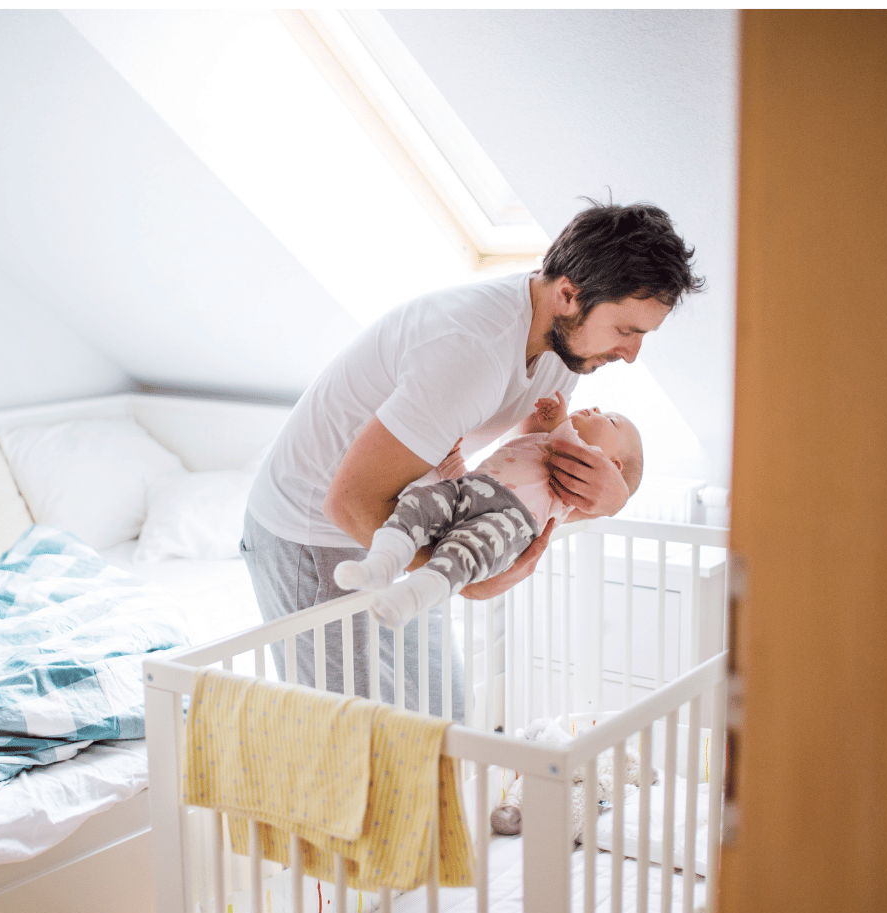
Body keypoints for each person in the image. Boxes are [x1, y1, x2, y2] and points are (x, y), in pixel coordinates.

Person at [241, 199, 704, 716]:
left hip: (406, 518)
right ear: (569, 295)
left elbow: (532, 462)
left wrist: (608, 498)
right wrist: (469, 580)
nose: (632, 354)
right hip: (313, 531)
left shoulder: (563, 346)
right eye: (626, 331)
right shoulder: (471, 350)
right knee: (355, 744)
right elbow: (347, 503)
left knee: (443, 719)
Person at [333, 392, 643, 629]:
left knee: (462, 555)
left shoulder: (579, 487)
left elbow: (574, 447)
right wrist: (452, 458)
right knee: (417, 506)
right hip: (470, 489)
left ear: (612, 467)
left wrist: (562, 420)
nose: (596, 409)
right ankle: (381, 563)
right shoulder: (537, 442)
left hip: (509, 522)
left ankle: (411, 597)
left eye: (610, 420)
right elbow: (484, 473)